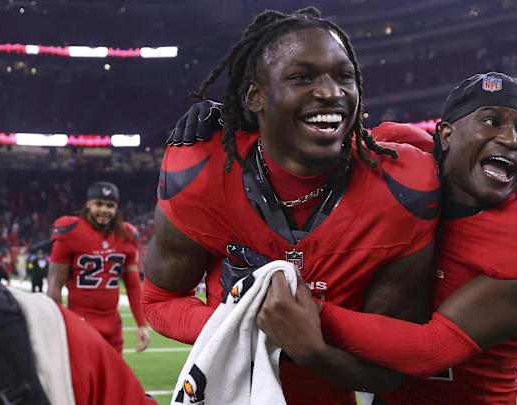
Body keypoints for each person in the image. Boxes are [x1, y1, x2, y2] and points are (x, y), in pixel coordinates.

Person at [142, 7, 439, 405]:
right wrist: (239, 320)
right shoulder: (199, 171)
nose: (331, 92)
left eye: (343, 76)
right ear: (256, 96)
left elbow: (387, 372)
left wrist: (307, 341)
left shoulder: (405, 188)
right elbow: (158, 301)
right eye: (302, 77)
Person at [256, 72, 517, 405]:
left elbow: (431, 349)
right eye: (492, 121)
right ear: (447, 134)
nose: (512, 139)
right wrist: (241, 125)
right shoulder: (397, 160)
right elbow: (305, 147)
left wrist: (306, 312)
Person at [0, 278, 156, 405]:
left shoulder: (41, 323)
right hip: (77, 326)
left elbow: (133, 282)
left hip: (83, 335)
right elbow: (56, 279)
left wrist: (141, 323)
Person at [46, 181, 149, 354]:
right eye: (98, 204)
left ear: (116, 208)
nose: (104, 210)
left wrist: (141, 324)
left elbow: (132, 284)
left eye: (110, 205)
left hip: (113, 326)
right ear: (88, 205)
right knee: (83, 380)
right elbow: (54, 284)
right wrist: (57, 323)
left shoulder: (126, 235)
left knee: (113, 380)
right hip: (80, 322)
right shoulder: (71, 231)